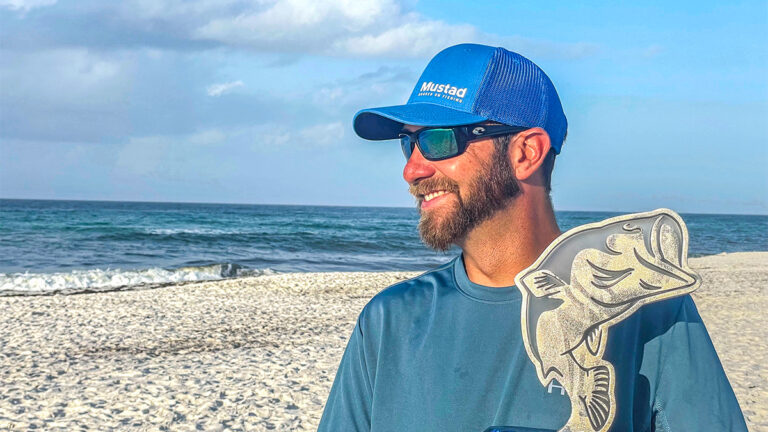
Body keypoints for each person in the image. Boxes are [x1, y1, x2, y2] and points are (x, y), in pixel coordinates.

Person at [318, 44, 746, 432]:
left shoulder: (653, 315)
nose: (412, 170)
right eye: (407, 144)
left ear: (526, 153)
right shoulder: (388, 321)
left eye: (437, 140)